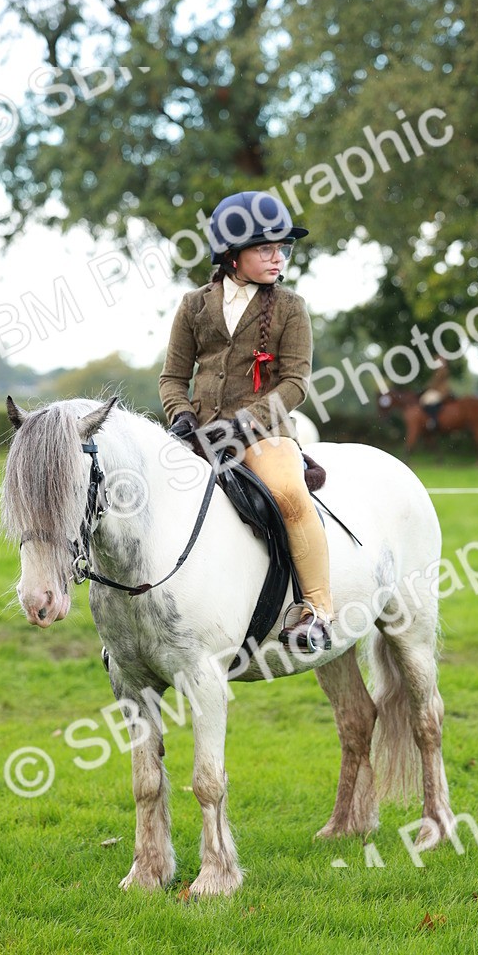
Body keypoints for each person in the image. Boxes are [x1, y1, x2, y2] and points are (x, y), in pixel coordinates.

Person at [158, 191, 333, 652]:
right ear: (232, 256)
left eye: (283, 249)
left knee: (291, 496)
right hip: (198, 434)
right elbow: (174, 376)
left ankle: (317, 609)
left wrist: (243, 424)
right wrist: (179, 416)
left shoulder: (291, 307)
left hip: (265, 435)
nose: (279, 258)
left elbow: (295, 383)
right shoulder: (193, 305)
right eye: (266, 249)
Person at [418, 356, 452, 430]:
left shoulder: (442, 370)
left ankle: (434, 420)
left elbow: (435, 382)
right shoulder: (440, 370)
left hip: (441, 392)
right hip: (437, 390)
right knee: (425, 399)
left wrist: (427, 387)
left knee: (426, 400)